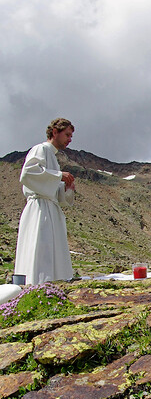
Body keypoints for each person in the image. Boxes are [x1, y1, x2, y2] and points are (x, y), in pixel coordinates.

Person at [14, 118, 76, 285]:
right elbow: (28, 173)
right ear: (55, 132)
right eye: (67, 134)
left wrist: (66, 188)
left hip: (49, 208)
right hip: (39, 209)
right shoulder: (40, 149)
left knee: (51, 250)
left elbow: (51, 190)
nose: (70, 139)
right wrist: (58, 175)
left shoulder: (53, 158)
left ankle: (53, 286)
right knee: (41, 249)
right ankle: (38, 285)